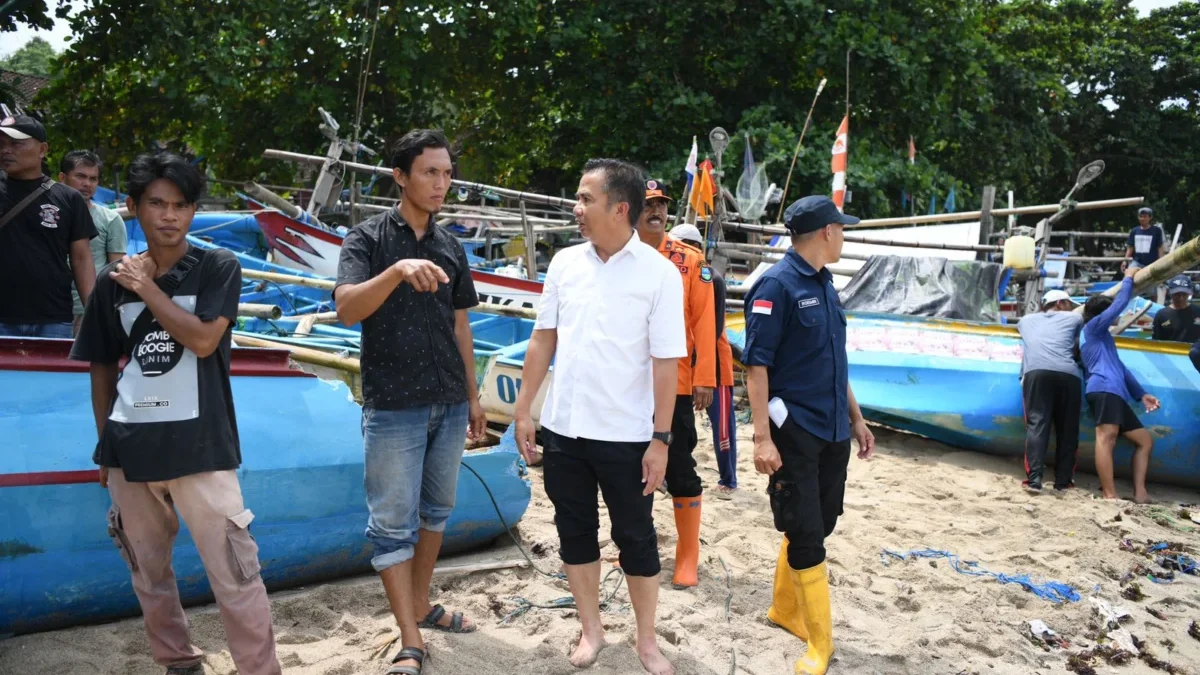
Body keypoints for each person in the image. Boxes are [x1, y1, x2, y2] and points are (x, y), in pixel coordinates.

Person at [68, 152, 281, 675]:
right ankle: (178, 662)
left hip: (202, 447)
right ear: (133, 208)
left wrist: (145, 288)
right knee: (148, 572)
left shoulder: (217, 267)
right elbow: (100, 365)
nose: (169, 216)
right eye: (156, 204)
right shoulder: (112, 282)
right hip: (131, 449)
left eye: (181, 205)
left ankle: (259, 669)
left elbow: (205, 340)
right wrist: (105, 446)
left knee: (235, 572)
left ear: (193, 211)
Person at [514, 158, 685, 675]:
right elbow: (544, 339)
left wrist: (661, 439)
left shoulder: (659, 274)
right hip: (565, 428)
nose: (577, 208)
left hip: (628, 435)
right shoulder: (565, 263)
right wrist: (525, 410)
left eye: (586, 199)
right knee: (574, 531)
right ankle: (592, 629)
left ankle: (647, 640)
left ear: (620, 208)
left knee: (636, 536)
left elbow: (665, 364)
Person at [333, 129, 486, 675]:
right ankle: (409, 635)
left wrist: (472, 396)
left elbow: (461, 324)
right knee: (391, 523)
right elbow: (347, 309)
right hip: (394, 404)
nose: (441, 183)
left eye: (447, 173)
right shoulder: (367, 238)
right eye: (430, 172)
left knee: (437, 511)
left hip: (447, 400)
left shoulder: (450, 244)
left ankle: (420, 603)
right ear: (400, 176)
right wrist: (396, 272)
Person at [743, 195, 875, 675]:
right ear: (824, 232)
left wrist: (857, 419)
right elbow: (756, 367)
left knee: (819, 522)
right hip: (794, 430)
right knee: (805, 533)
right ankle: (821, 645)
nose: (844, 235)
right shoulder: (776, 286)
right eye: (841, 228)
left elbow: (834, 362)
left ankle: (783, 609)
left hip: (834, 428)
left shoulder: (826, 284)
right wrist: (762, 438)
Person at [634, 180, 715, 588]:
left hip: (678, 384)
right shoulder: (619, 255)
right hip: (628, 385)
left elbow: (705, 323)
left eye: (662, 205)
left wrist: (706, 379)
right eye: (649, 204)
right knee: (629, 471)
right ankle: (637, 548)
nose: (657, 211)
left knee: (681, 467)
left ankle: (687, 556)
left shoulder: (689, 260)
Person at [0, 114, 97, 338]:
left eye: (16, 143)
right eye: (2, 144)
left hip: (54, 320)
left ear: (42, 150)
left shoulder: (69, 198)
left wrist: (95, 314)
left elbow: (81, 259)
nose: (6, 150)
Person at [1080, 267, 1160, 503]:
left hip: (1116, 393)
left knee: (1145, 441)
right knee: (1107, 437)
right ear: (1100, 314)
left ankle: (1140, 492)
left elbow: (1120, 368)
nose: (1116, 314)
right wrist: (1128, 278)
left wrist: (1141, 394)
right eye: (1110, 311)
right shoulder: (1092, 328)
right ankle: (1109, 494)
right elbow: (1120, 304)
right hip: (1103, 389)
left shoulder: (1105, 338)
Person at [670, 223, 738, 498]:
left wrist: (703, 373)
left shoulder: (712, 277)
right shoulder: (679, 276)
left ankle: (729, 478)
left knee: (722, 425)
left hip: (714, 365)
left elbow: (711, 326)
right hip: (688, 363)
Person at [1015, 289, 1083, 492]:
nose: (1071, 307)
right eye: (1068, 303)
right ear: (1061, 303)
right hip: (1068, 374)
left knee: (1037, 425)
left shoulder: (1026, 320)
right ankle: (1063, 482)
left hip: (1037, 373)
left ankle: (1034, 480)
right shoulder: (1075, 318)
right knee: (1068, 429)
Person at [59, 150, 129, 336]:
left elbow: (117, 271)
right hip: (51, 311)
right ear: (62, 177)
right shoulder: (48, 215)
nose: (87, 184)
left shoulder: (110, 220)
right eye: (80, 176)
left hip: (88, 311)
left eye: (93, 179)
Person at [1151, 274, 1200, 343]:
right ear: (1171, 293)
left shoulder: (1198, 312)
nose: (1181, 298)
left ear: (1189, 293)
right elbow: (1155, 342)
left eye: (1184, 294)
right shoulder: (1162, 315)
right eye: (1177, 294)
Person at [1121, 207, 1166, 272]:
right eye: (1140, 216)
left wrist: (1162, 261)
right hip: (1137, 262)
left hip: (1152, 263)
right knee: (1128, 272)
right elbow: (1130, 248)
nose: (1142, 219)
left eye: (1145, 217)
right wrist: (1125, 261)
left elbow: (1160, 247)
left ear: (1150, 217)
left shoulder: (1157, 231)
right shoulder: (1134, 231)